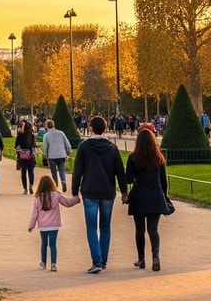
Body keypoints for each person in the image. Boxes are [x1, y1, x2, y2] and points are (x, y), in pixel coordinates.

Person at [70, 114, 126, 274]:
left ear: (90, 128)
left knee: (91, 227)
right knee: (106, 226)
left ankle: (97, 260)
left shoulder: (84, 147)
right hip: (108, 191)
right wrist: (123, 191)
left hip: (89, 191)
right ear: (105, 129)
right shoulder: (112, 148)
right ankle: (103, 259)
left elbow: (77, 172)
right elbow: (120, 172)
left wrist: (74, 191)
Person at [123, 127, 169, 272]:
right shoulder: (159, 157)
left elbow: (129, 179)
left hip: (139, 196)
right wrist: (165, 196)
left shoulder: (133, 157)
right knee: (153, 230)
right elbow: (164, 182)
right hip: (155, 195)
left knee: (140, 230)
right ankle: (155, 256)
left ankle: (141, 259)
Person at [27, 174, 80, 271]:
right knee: (53, 244)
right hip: (54, 225)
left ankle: (43, 263)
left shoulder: (37, 198)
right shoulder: (56, 195)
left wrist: (31, 226)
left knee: (44, 244)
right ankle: (53, 264)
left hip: (43, 225)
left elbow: (34, 214)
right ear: (52, 184)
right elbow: (67, 203)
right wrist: (76, 199)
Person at [42, 119, 72, 192]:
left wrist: (46, 157)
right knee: (62, 170)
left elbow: (45, 148)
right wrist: (67, 154)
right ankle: (63, 181)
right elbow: (68, 145)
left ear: (47, 126)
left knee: (54, 172)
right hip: (61, 155)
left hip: (52, 156)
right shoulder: (61, 133)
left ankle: (55, 185)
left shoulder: (46, 135)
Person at [14, 121, 38, 193]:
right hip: (30, 154)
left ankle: (25, 189)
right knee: (31, 171)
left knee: (23, 172)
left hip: (22, 154)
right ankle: (31, 185)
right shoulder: (32, 135)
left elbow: (16, 146)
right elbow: (34, 145)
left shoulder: (20, 136)